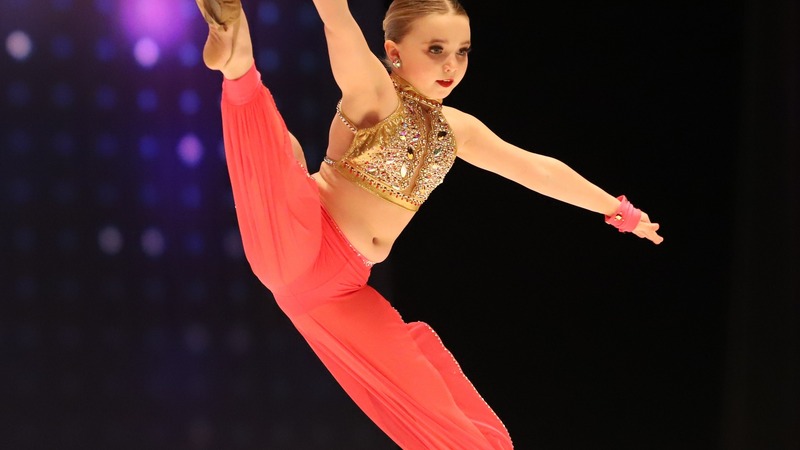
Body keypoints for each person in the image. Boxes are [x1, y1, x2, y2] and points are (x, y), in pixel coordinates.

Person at [194, 0, 664, 448]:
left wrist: (616, 209)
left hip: (344, 293)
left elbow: (535, 170)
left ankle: (238, 65)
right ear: (394, 51)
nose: (451, 65)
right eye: (436, 49)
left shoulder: (457, 130)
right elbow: (337, 20)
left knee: (458, 426)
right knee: (281, 159)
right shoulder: (374, 93)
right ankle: (239, 64)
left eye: (462, 52)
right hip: (302, 240)